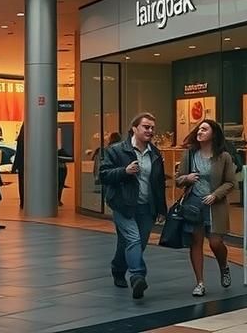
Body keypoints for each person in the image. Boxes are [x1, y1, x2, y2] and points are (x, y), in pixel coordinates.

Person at [99, 113, 167, 299]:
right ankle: (137, 276)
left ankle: (118, 268)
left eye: (152, 127)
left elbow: (158, 182)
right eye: (146, 127)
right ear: (134, 128)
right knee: (133, 239)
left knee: (133, 243)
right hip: (123, 205)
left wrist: (162, 208)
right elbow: (103, 175)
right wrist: (124, 171)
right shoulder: (116, 150)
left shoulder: (155, 153)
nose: (150, 131)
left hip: (147, 207)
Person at [175, 119, 236, 297]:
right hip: (193, 205)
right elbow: (178, 180)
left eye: (204, 129)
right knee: (196, 243)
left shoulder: (224, 157)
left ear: (213, 134)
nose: (200, 132)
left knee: (216, 242)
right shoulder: (190, 154)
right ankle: (200, 283)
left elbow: (231, 182)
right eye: (199, 129)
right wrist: (187, 178)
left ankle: (224, 265)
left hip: (215, 206)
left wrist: (215, 194)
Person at [11, 127, 24, 209]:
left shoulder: (21, 138)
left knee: (22, 183)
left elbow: (18, 152)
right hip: (27, 164)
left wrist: (15, 166)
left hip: (22, 164)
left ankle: (23, 201)